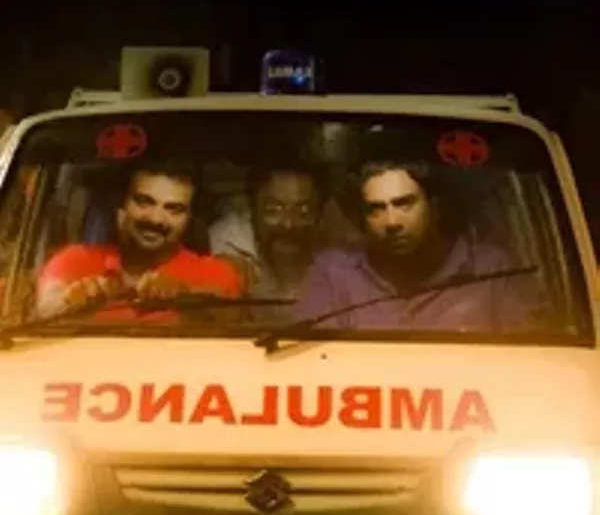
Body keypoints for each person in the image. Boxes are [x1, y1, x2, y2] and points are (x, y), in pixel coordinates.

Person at [293, 159, 546, 332]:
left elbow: (534, 359)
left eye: (405, 204)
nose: (392, 222)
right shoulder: (333, 274)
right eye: (376, 209)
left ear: (434, 206)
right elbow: (311, 365)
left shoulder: (493, 270)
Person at [36, 161, 244, 323]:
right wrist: (71, 300)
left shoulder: (214, 274)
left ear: (189, 219)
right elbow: (43, 309)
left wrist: (183, 295)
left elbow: (231, 318)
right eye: (144, 202)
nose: (156, 219)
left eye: (174, 209)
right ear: (122, 207)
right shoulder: (75, 260)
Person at [213, 165, 324, 310]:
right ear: (252, 209)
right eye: (274, 211)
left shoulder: (335, 244)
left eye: (303, 212)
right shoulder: (226, 246)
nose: (288, 224)